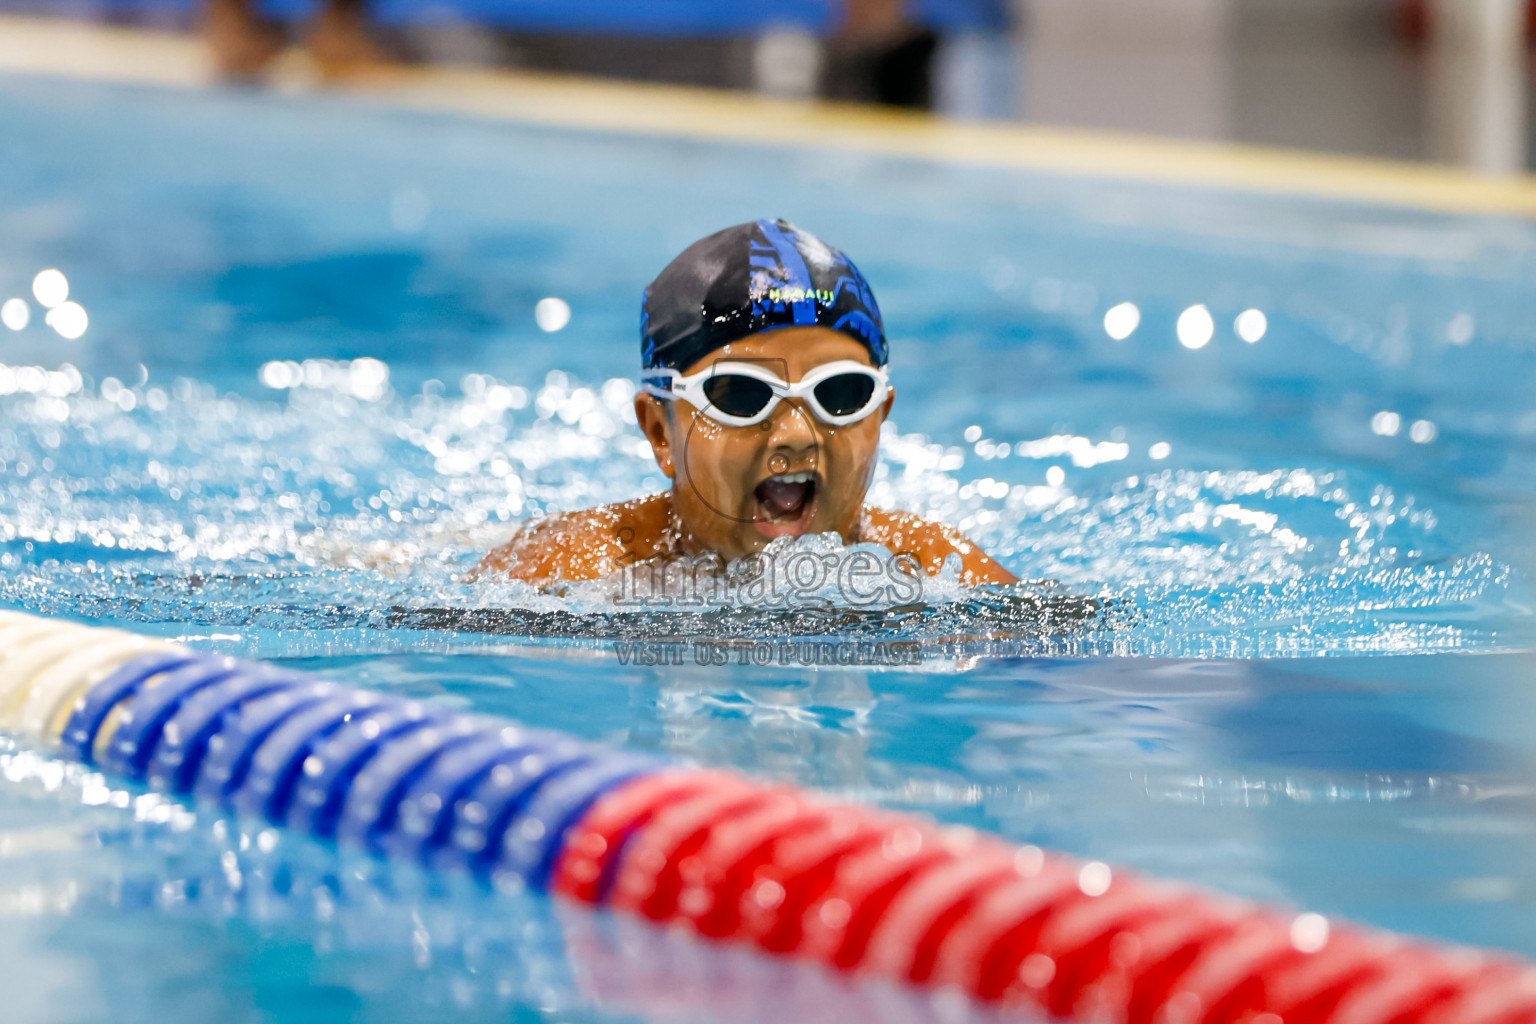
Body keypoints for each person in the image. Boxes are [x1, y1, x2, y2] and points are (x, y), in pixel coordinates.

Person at [474, 219, 1016, 588]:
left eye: (840, 394)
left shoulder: (934, 567)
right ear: (660, 431)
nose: (797, 434)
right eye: (742, 395)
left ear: (880, 415)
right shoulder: (576, 570)